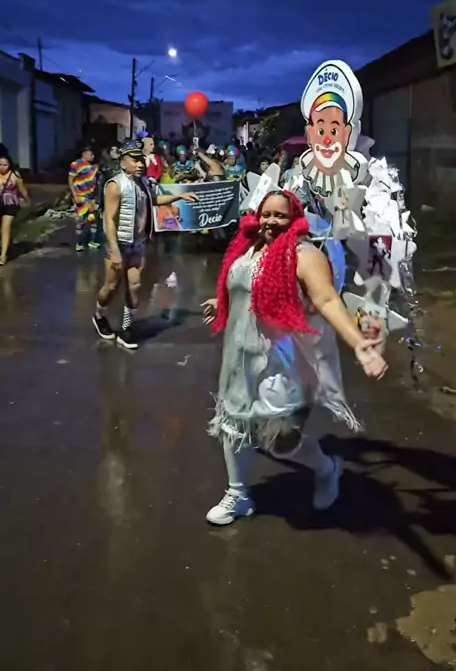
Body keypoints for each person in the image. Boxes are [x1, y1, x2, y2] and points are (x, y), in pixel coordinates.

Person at [201, 190, 387, 525]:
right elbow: (241, 284)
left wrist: (359, 343)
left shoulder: (303, 254)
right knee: (234, 424)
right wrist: (222, 302)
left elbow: (327, 300)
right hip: (238, 355)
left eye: (280, 216)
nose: (271, 221)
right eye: (266, 214)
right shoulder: (247, 247)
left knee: (281, 440)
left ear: (295, 219)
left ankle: (327, 469)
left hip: (281, 362)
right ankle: (237, 493)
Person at [92, 140, 198, 350]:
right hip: (118, 243)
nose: (140, 164)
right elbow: (109, 220)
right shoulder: (115, 185)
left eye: (141, 159)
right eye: (134, 160)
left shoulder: (144, 183)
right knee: (111, 286)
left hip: (138, 243)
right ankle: (99, 314)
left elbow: (153, 200)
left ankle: (127, 329)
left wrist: (179, 196)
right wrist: (114, 249)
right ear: (123, 163)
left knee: (135, 285)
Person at [68, 145, 100, 252]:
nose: (93, 156)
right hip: (81, 196)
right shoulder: (76, 165)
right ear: (84, 154)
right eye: (91, 154)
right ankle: (79, 243)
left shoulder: (95, 166)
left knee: (93, 220)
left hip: (92, 197)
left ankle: (92, 241)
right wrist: (74, 195)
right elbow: (71, 179)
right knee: (81, 220)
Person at [0, 154, 30, 265]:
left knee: (5, 227)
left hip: (11, 203)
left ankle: (3, 255)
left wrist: (28, 201)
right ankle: (9, 247)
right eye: (0, 164)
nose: (2, 167)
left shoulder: (15, 175)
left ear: (10, 165)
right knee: (2, 229)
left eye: (5, 165)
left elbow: (23, 191)